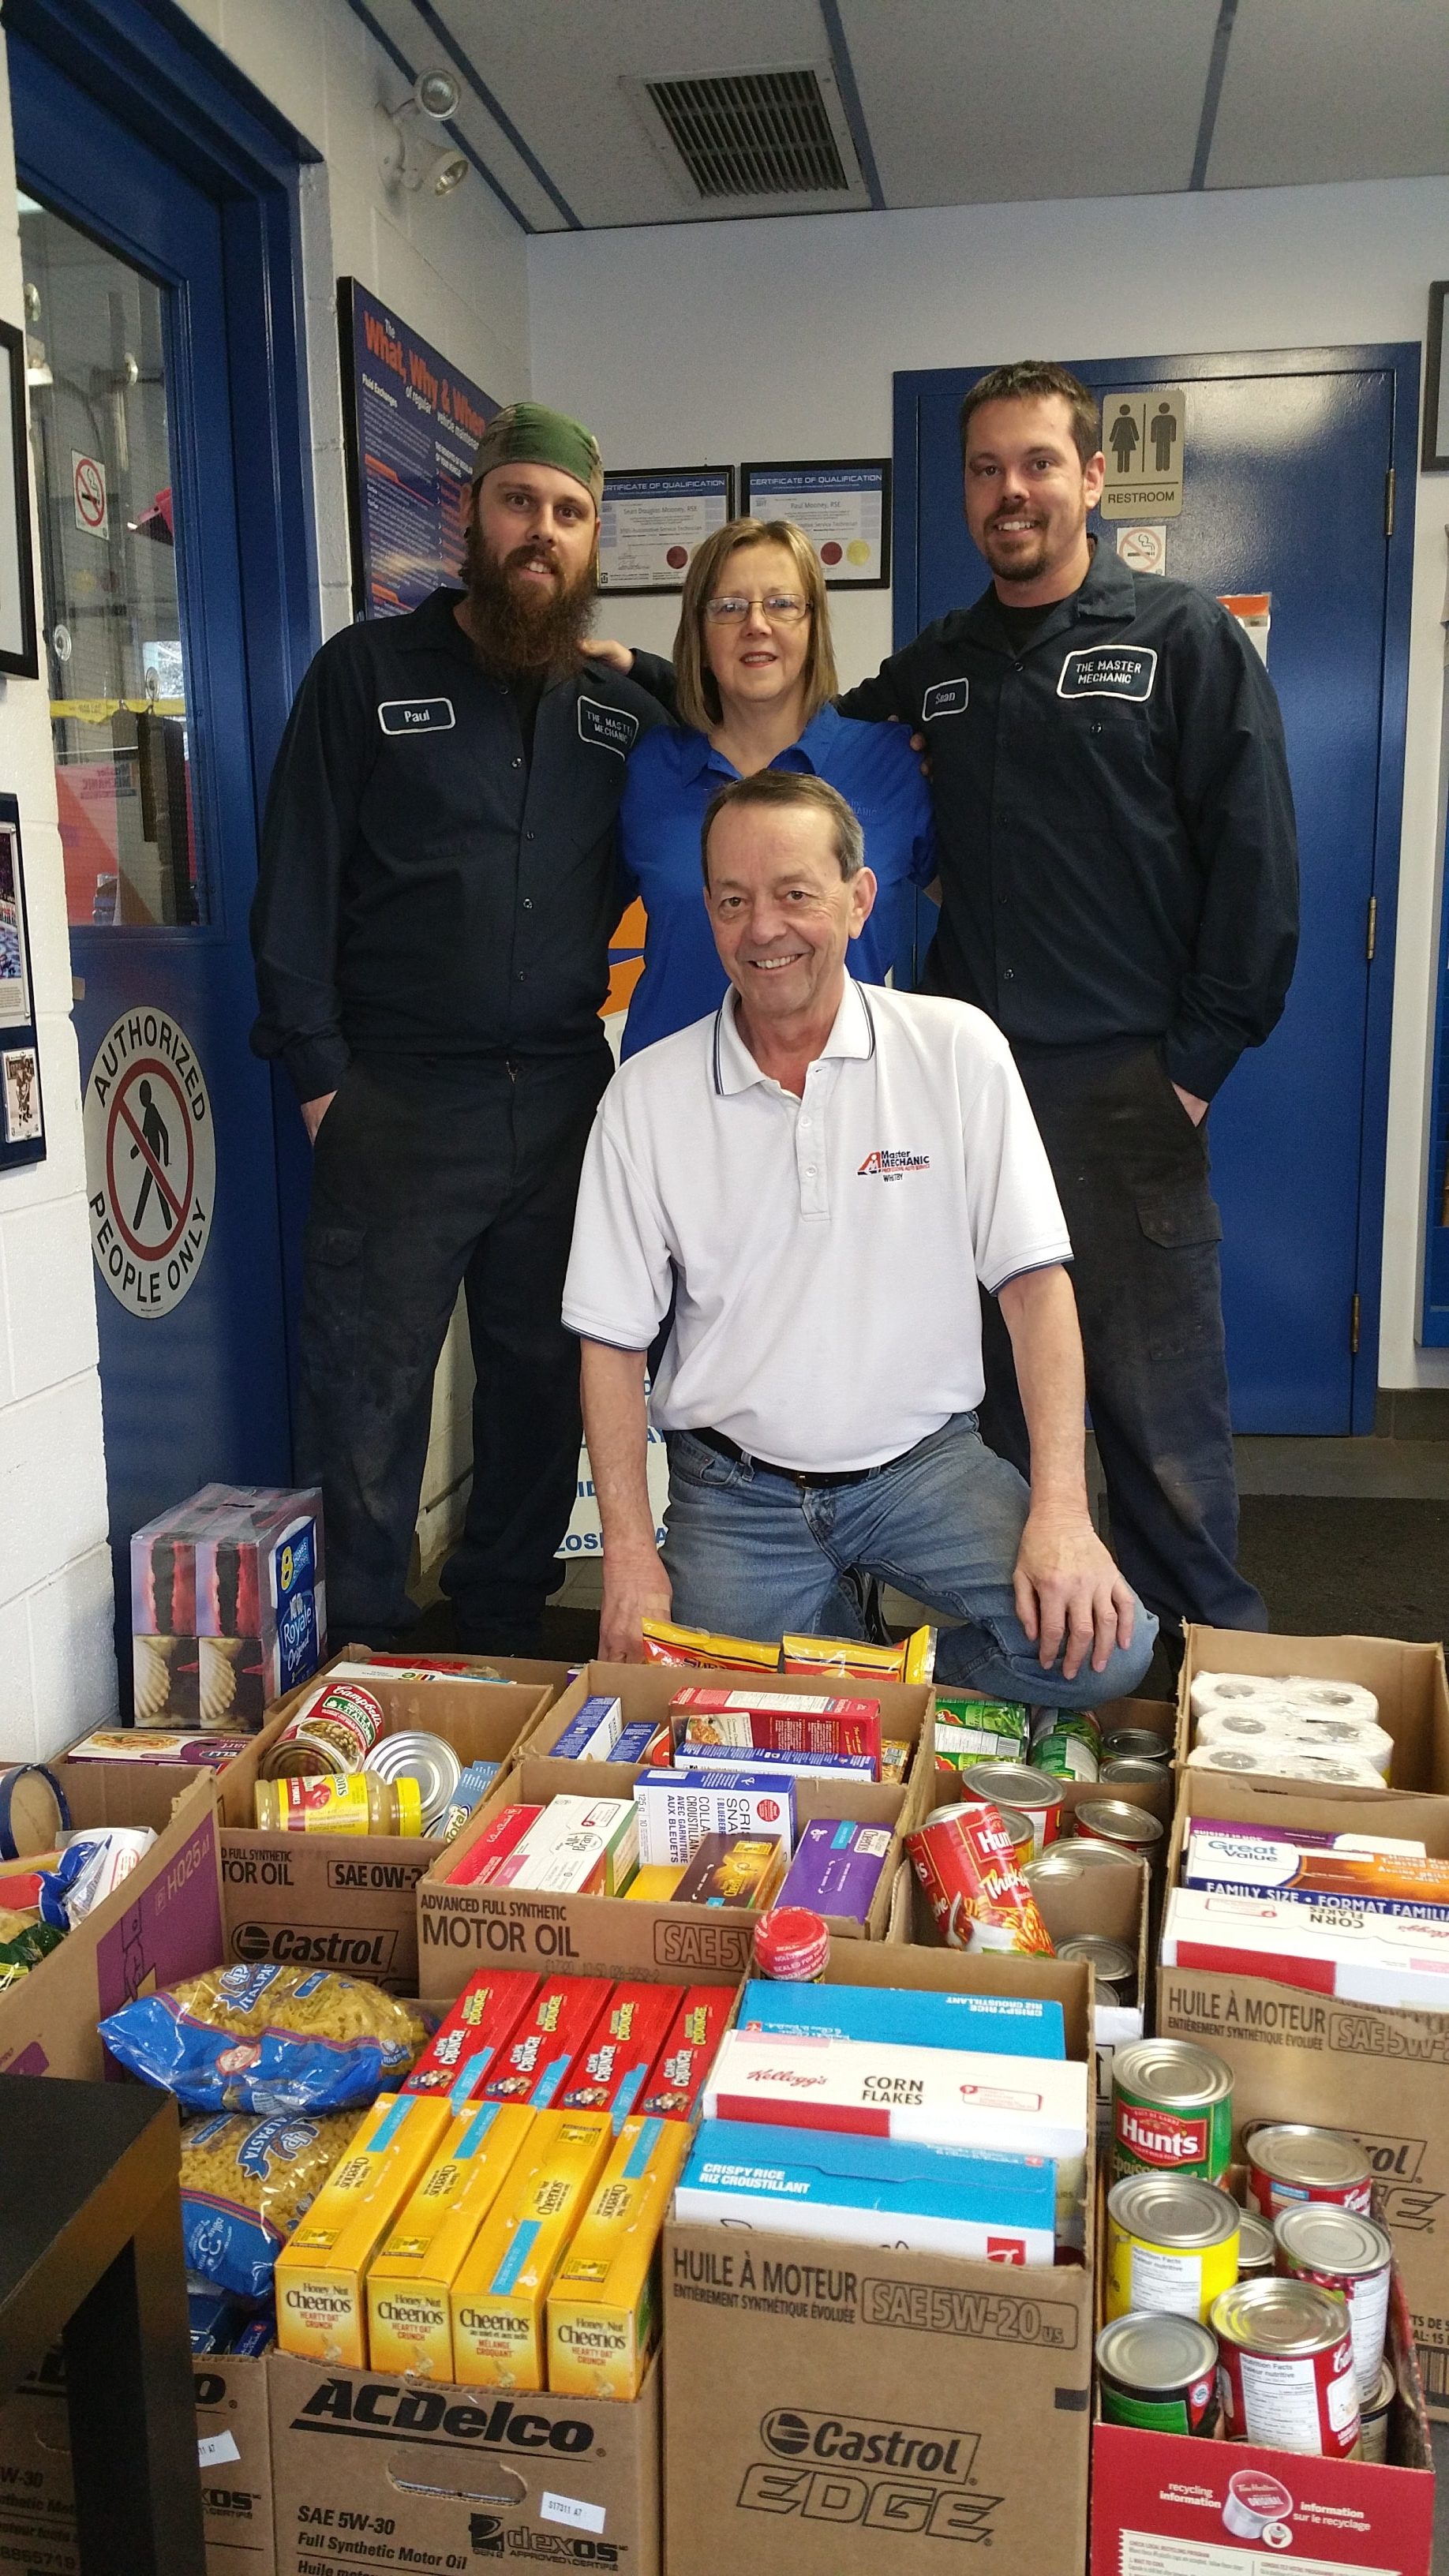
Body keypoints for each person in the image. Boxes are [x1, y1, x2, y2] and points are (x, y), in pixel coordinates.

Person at [838, 360, 1299, 1648]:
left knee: (1161, 1441)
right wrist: (644, 685)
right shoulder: (941, 664)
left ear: (1092, 476)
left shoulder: (1182, 640)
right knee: (990, 1428)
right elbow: (796, 743)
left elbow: (1258, 871)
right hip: (969, 1105)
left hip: (1129, 1098)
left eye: (1037, 462)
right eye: (985, 469)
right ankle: (1021, 1701)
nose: (1011, 490)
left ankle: (1211, 1703)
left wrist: (1191, 1067)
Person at [563, 767, 1157, 1702]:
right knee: (706, 1715)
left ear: (858, 899)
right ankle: (849, 1681)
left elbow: (1036, 1289)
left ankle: (850, 1684)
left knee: (1106, 1650)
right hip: (735, 1494)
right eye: (733, 900)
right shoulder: (644, 1096)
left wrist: (1064, 1513)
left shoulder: (958, 1050)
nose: (763, 928)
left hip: (924, 1471)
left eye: (796, 894)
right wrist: (631, 1557)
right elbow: (610, 1341)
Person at [250, 402, 665, 1653]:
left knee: (542, 1381)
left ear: (593, 544)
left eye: (569, 513)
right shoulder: (364, 675)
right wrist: (326, 1084)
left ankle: (499, 1623)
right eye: (520, 502)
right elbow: (294, 892)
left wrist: (659, 676)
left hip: (557, 1095)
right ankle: (364, 1649)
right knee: (366, 1397)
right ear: (473, 514)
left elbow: (736, 766)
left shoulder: (619, 717)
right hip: (396, 1098)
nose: (542, 531)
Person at [608, 517, 932, 1057]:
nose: (756, 625)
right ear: (700, 634)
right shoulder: (647, 771)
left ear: (813, 624)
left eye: (782, 604)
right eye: (729, 607)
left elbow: (982, 915)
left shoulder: (893, 764)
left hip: (848, 1103)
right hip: (677, 1109)